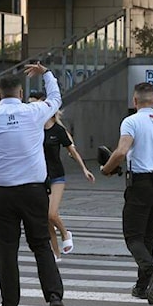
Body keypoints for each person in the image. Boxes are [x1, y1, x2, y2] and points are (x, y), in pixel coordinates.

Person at [0, 63, 69, 306]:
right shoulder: (33, 112)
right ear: (21, 94)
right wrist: (46, 74)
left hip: (3, 194)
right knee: (41, 244)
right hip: (34, 191)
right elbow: (56, 99)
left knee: (6, 249)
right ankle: (54, 295)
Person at [99, 82, 153, 306]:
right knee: (148, 236)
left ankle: (152, 270)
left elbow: (121, 151)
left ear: (135, 101)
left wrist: (106, 169)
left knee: (133, 236)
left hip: (141, 184)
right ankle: (141, 286)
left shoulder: (131, 121)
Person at [42, 109, 95, 260]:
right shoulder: (35, 129)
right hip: (40, 177)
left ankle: (65, 233)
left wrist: (84, 169)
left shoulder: (58, 131)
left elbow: (73, 151)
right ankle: (56, 254)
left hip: (57, 176)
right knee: (46, 219)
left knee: (51, 213)